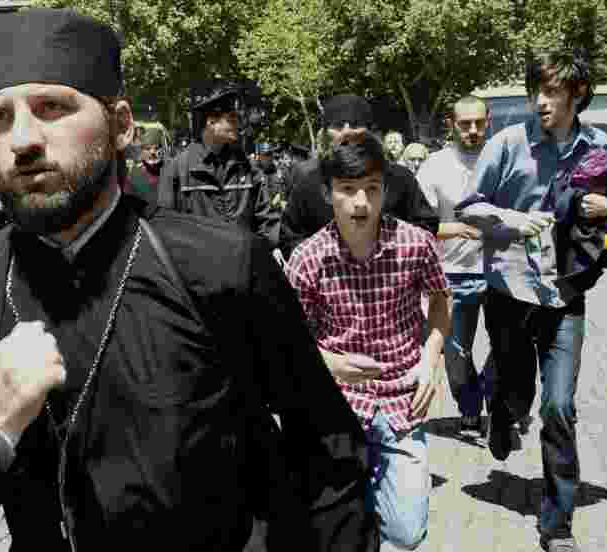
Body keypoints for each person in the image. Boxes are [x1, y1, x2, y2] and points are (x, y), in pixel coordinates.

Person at [0, 9, 383, 552]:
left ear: (120, 125)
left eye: (53, 107)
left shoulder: (220, 264)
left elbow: (317, 421)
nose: (24, 138)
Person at [457, 50, 607, 552]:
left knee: (559, 407)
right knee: (518, 395)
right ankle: (501, 414)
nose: (541, 102)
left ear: (577, 96)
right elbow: (469, 207)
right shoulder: (507, 144)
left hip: (565, 295)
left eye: (552, 92)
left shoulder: (599, 146)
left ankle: (558, 526)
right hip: (508, 293)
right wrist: (509, 217)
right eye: (537, 92)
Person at [285, 135, 450, 552]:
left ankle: (364, 518)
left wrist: (431, 359)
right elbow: (288, 340)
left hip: (402, 400)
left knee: (407, 532)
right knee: (329, 520)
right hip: (337, 404)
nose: (361, 202)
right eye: (347, 190)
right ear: (328, 193)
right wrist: (327, 362)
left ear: (385, 191)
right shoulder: (307, 259)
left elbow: (440, 303)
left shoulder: (416, 245)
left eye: (371, 189)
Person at [416, 96, 496, 435]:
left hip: (500, 272)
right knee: (456, 354)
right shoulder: (435, 165)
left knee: (512, 347)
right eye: (465, 124)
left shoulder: (502, 158)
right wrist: (454, 229)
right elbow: (417, 221)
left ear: (488, 120)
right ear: (452, 123)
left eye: (479, 123)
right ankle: (469, 407)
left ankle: (493, 394)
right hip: (451, 275)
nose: (473, 130)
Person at [279, 95, 438, 260]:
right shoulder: (308, 183)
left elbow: (426, 225)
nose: (347, 132)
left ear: (370, 130)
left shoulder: (400, 177)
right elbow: (290, 238)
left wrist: (389, 255)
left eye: (355, 125)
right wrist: (326, 261)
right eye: (338, 126)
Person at [157, 81, 275, 239]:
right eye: (231, 118)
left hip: (242, 261)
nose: (237, 123)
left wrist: (269, 249)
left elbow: (266, 221)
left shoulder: (248, 167)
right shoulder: (177, 170)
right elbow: (166, 229)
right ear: (211, 122)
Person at [125, 128, 163, 207]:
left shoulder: (169, 169)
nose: (152, 152)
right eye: (148, 148)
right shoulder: (134, 174)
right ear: (141, 151)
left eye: (156, 148)